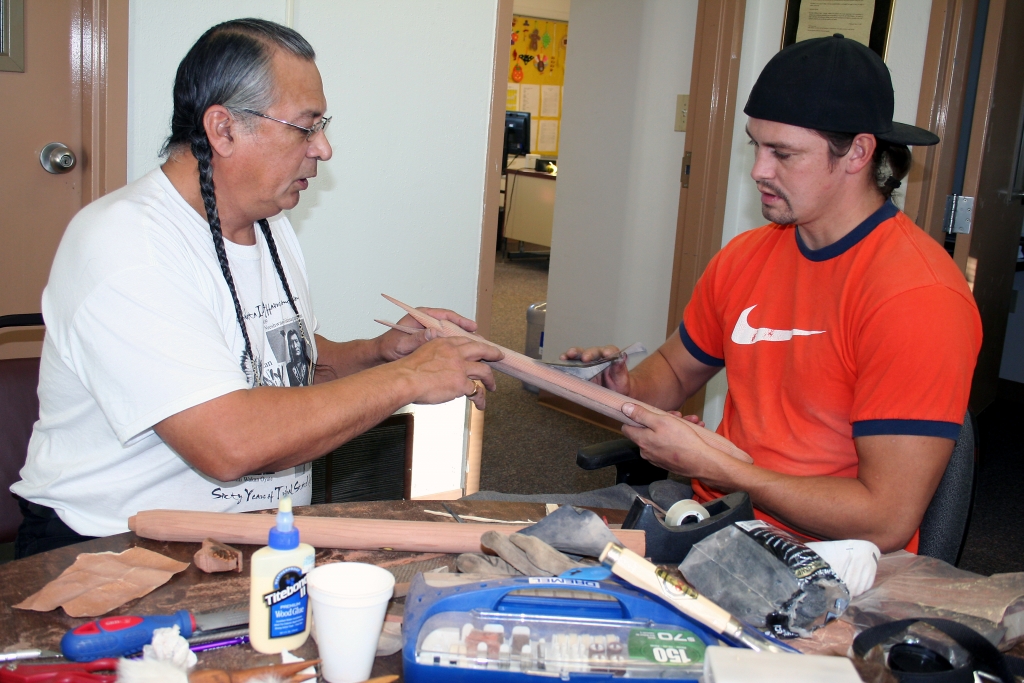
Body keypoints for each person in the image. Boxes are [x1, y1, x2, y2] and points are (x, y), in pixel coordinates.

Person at [11, 19, 500, 557]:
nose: (324, 148)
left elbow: (282, 367)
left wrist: (382, 354)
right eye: (305, 127)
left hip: (256, 535)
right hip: (119, 548)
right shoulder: (126, 244)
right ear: (223, 130)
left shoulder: (268, 223)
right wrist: (409, 380)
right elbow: (229, 443)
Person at [564, 35, 982, 553]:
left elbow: (886, 518)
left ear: (857, 152)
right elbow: (671, 376)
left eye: (782, 153)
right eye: (755, 146)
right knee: (508, 544)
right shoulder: (748, 256)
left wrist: (726, 468)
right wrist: (620, 385)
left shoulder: (917, 297)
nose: (759, 170)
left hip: (829, 555)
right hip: (715, 514)